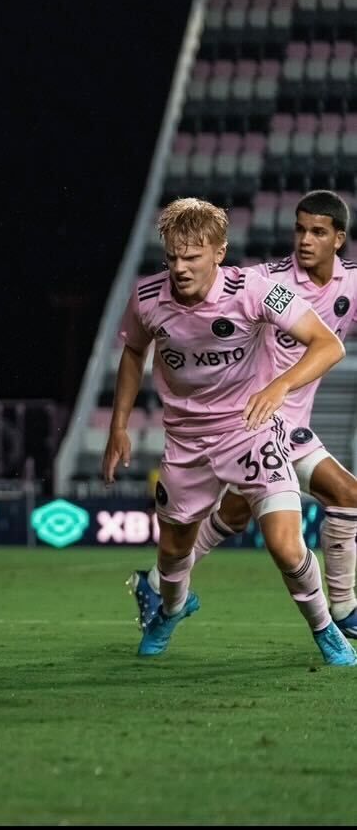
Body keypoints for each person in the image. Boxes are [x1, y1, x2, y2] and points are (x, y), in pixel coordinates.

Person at [103, 197, 356, 665]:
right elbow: (134, 353)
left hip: (252, 432)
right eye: (172, 257)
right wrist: (119, 426)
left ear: (219, 252)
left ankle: (327, 628)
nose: (180, 268)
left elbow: (327, 344)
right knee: (173, 553)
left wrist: (279, 386)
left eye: (192, 257)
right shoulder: (145, 297)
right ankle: (173, 609)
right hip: (185, 443)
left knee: (284, 542)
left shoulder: (256, 289)